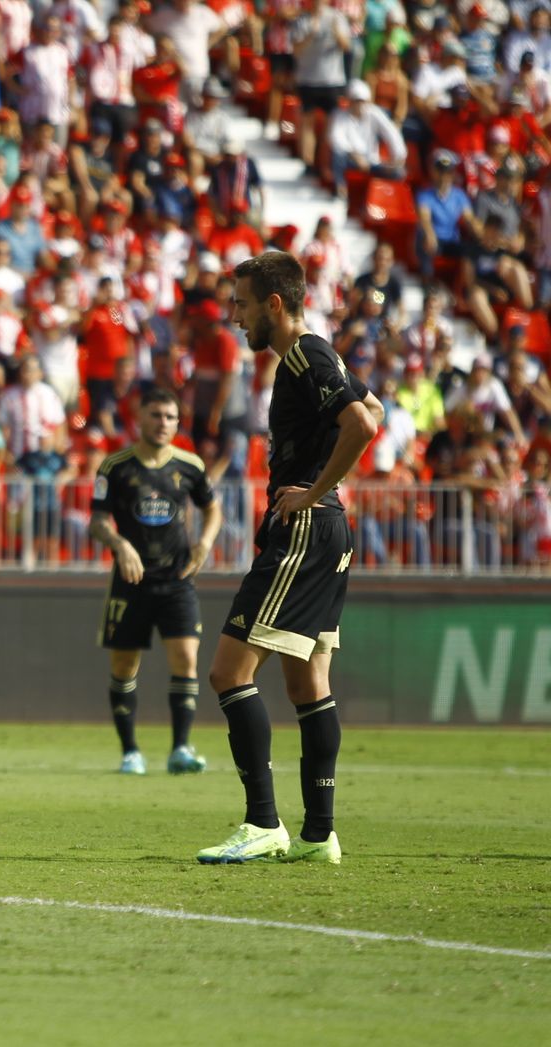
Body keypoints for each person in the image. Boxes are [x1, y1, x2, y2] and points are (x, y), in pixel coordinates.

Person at [201, 251, 384, 866]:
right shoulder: (314, 356)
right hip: (326, 528)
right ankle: (318, 834)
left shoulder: (305, 354)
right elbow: (374, 409)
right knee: (308, 682)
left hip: (304, 528)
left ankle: (263, 823)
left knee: (229, 673)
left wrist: (312, 489)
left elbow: (363, 425)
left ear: (273, 304)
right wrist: (325, 483)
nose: (236, 316)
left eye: (242, 304)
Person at [89, 388, 223, 776]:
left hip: (177, 578)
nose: (163, 423)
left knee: (186, 659)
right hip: (131, 580)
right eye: (155, 415)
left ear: (177, 423)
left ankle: (181, 748)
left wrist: (204, 543)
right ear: (139, 418)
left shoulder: (190, 465)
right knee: (124, 664)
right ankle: (130, 751)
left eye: (170, 417)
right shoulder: (115, 466)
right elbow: (97, 520)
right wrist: (119, 545)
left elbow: (212, 510)